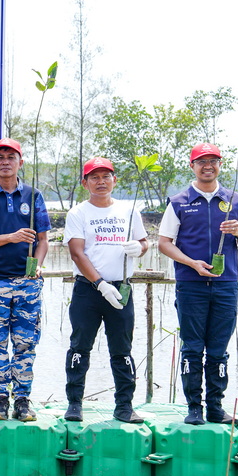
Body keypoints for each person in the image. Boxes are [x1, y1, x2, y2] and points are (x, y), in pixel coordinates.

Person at [158, 143, 238, 425]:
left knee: (218, 349)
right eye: (201, 161)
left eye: (213, 160)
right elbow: (164, 243)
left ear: (220, 165)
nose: (207, 166)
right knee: (192, 347)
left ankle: (215, 407)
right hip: (190, 284)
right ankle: (193, 408)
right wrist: (191, 263)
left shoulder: (235, 200)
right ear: (192, 165)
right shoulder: (179, 201)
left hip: (225, 284)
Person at [0, 138, 50, 421]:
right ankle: (0, 399)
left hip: (27, 283)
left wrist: (37, 265)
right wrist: (11, 237)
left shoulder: (33, 196)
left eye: (11, 157)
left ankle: (23, 399)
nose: (5, 161)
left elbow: (43, 240)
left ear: (20, 162)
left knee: (26, 343)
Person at [63, 157, 148, 424]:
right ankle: (75, 403)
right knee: (79, 347)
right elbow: (77, 253)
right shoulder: (78, 213)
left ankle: (124, 406)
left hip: (121, 288)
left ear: (115, 180)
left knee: (122, 349)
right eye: (94, 177)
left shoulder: (129, 211)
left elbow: (144, 241)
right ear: (85, 182)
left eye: (106, 176)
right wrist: (100, 284)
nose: (101, 182)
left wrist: (141, 247)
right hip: (88, 291)